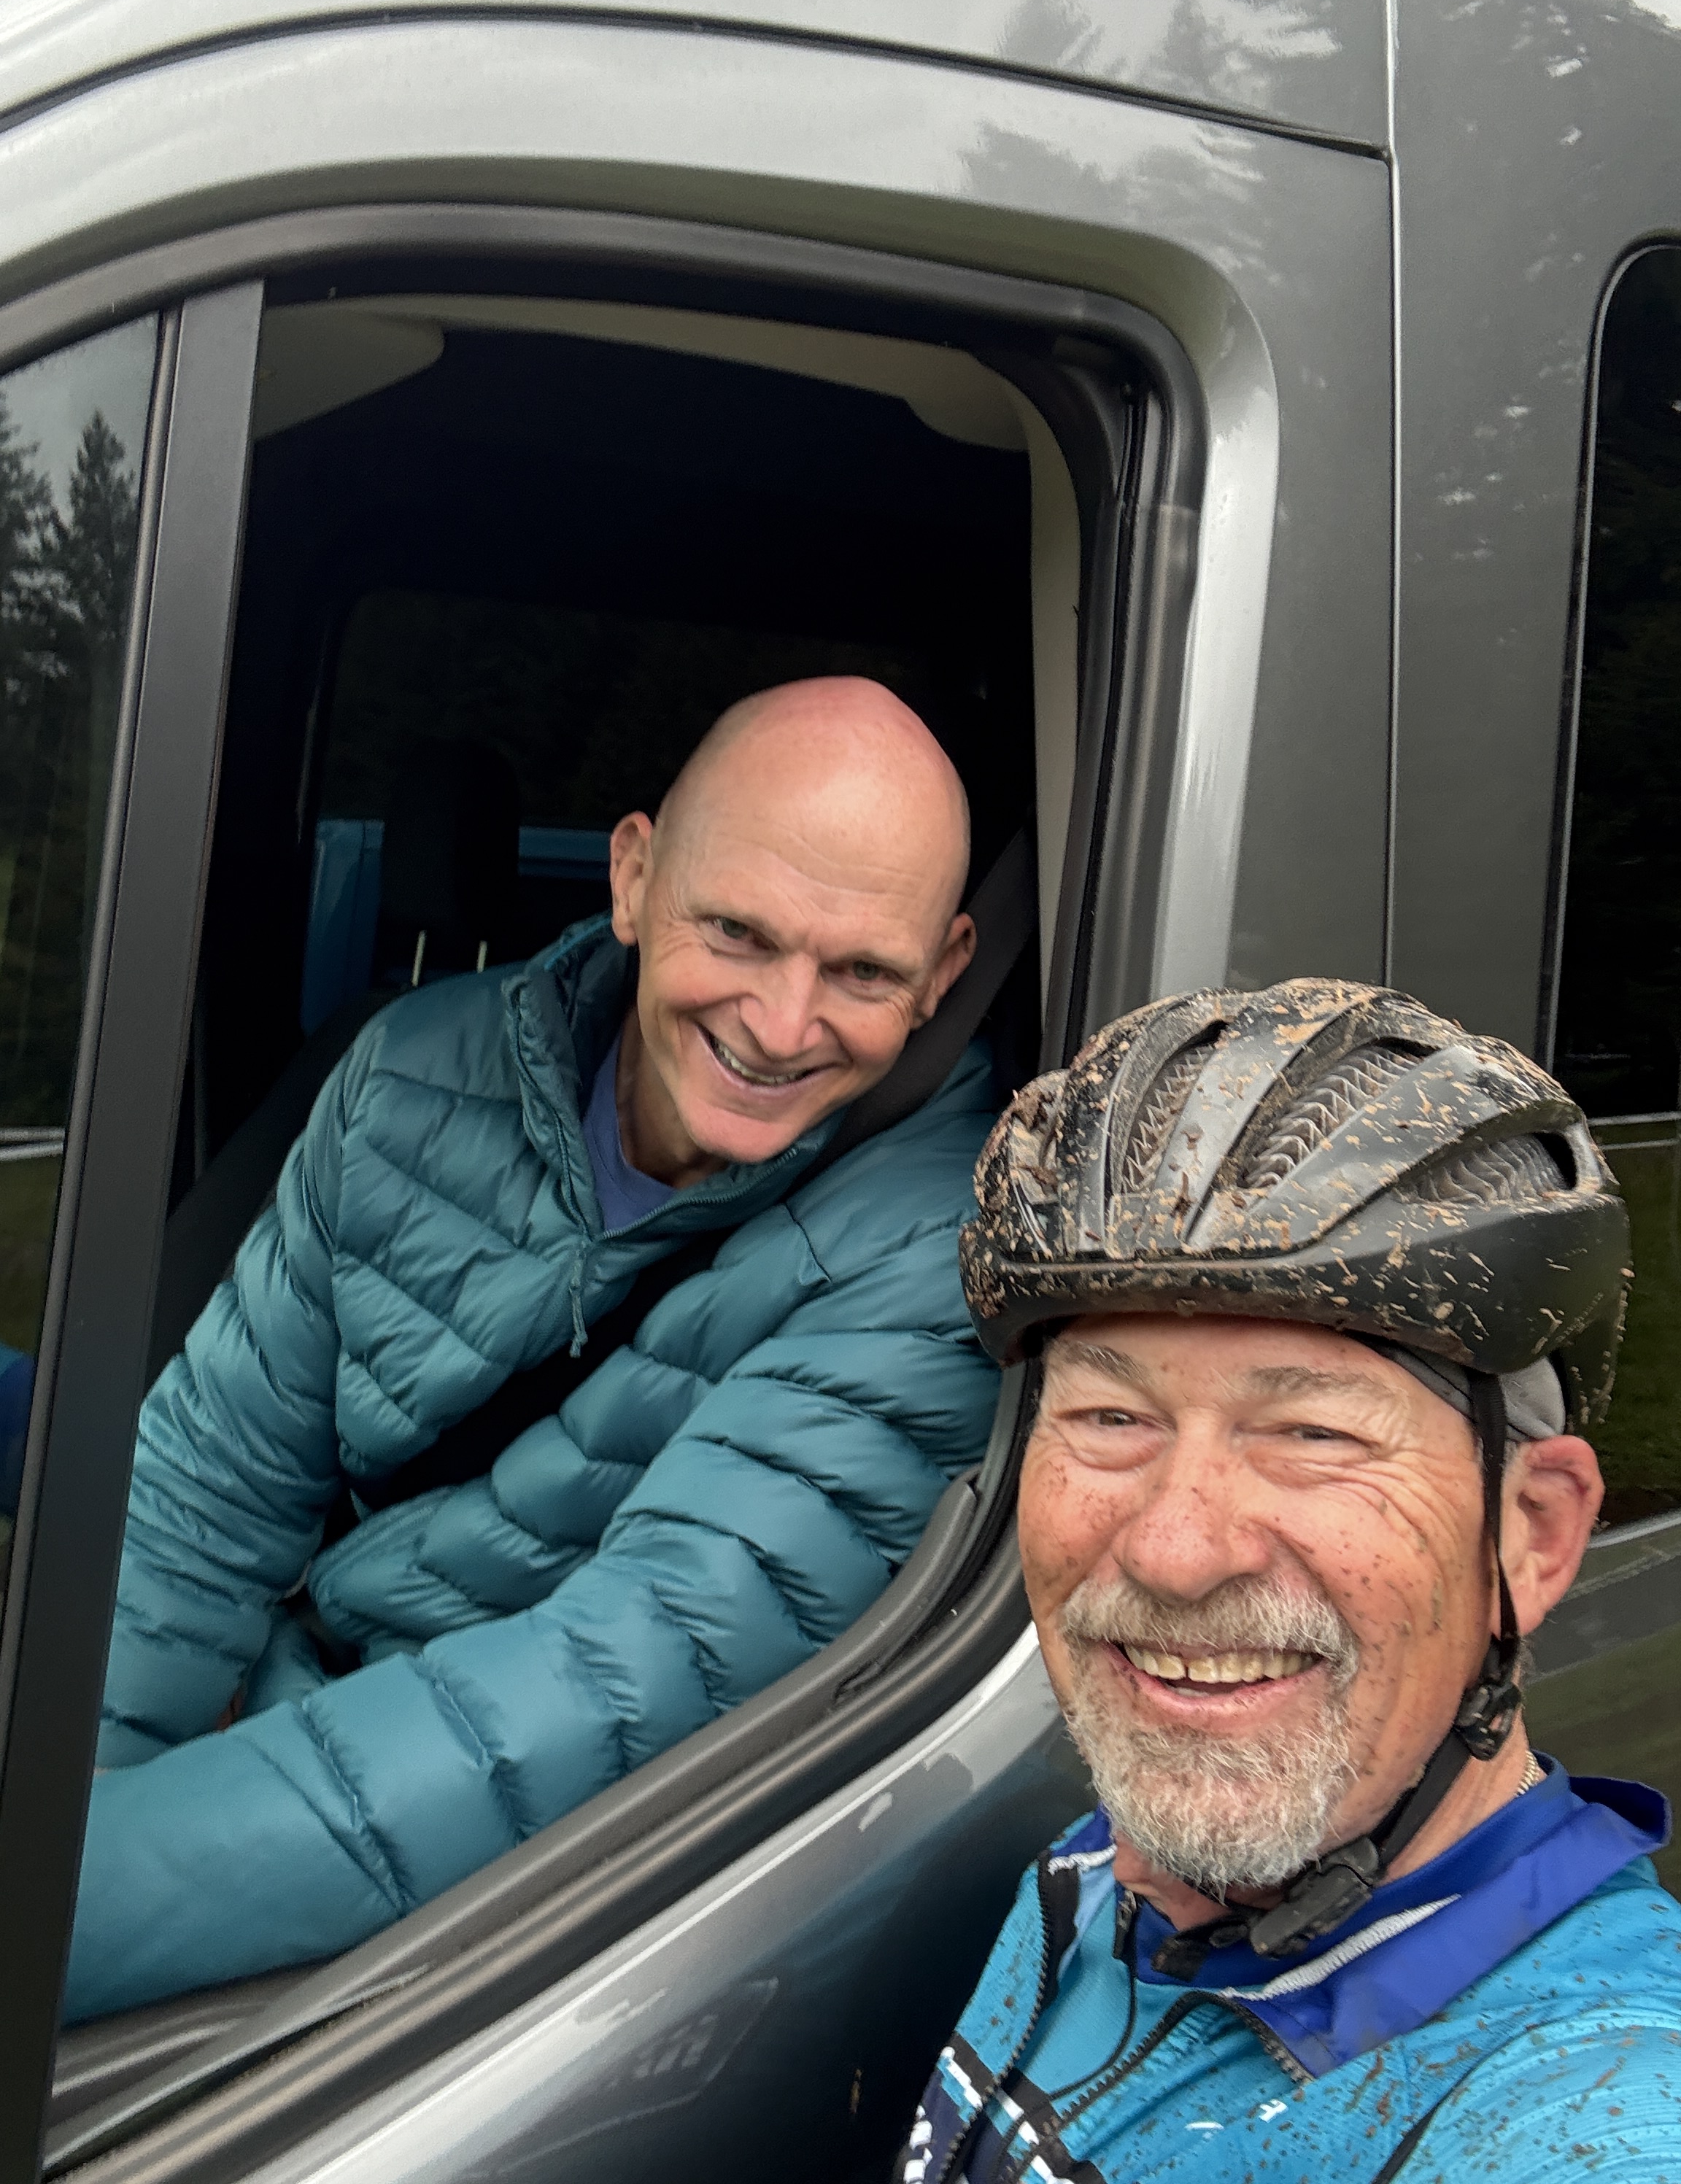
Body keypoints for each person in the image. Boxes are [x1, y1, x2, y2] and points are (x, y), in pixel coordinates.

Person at [68, 675, 1005, 2021]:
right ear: (634, 879)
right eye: (737, 932)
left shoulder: (937, 1265)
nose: (782, 1023)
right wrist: (72, 1804)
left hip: (486, 1930)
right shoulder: (408, 1072)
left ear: (946, 972)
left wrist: (74, 1902)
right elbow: (204, 1492)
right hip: (250, 1777)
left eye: (863, 972)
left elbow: (589, 1700)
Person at [903, 978, 1680, 2183]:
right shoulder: (1117, 1865)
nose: (1174, 1551)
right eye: (1110, 1418)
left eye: (1313, 1434)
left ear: (1529, 1535)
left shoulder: (1589, 2104)